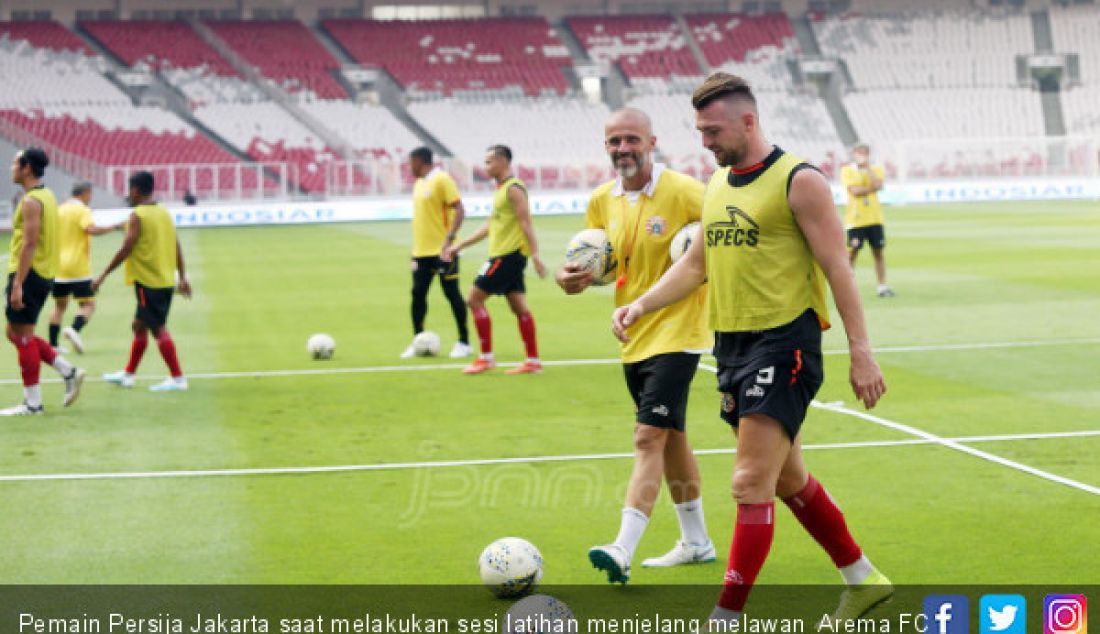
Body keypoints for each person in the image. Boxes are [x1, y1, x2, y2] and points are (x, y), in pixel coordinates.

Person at [610, 73, 892, 623]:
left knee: (748, 483)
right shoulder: (716, 184)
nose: (706, 141)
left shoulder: (799, 180)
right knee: (789, 481)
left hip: (785, 344)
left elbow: (838, 267)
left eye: (713, 130)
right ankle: (863, 580)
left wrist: (862, 351)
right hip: (732, 348)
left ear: (748, 120)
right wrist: (642, 305)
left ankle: (726, 616)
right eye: (699, 131)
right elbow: (695, 266)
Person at [557, 108, 715, 585]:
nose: (622, 149)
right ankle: (697, 542)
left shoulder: (687, 190)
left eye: (631, 140)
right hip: (633, 333)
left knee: (647, 438)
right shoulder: (601, 201)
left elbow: (726, 236)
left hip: (681, 333)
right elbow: (605, 267)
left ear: (652, 141)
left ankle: (622, 548)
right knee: (671, 441)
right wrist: (575, 281)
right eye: (613, 142)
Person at [445, 145, 546, 375]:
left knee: (473, 299)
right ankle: (533, 361)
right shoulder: (501, 190)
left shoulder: (514, 189)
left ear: (503, 162)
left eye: (489, 161)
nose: (486, 166)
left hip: (507, 257)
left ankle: (486, 358)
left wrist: (536, 255)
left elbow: (526, 223)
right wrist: (460, 245)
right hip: (507, 256)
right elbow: (490, 226)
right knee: (519, 308)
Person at [2, 148, 85, 416]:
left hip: (29, 274)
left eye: (16, 163)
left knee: (22, 337)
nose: (12, 167)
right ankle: (67, 371)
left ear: (27, 168)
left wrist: (17, 285)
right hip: (43, 273)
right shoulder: (46, 195)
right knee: (14, 333)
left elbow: (29, 244)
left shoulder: (31, 202)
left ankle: (33, 403)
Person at [93, 171, 191, 392]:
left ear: (136, 190)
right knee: (139, 325)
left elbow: (126, 248)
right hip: (164, 280)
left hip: (149, 282)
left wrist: (102, 276)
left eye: (130, 189)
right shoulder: (163, 212)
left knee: (157, 329)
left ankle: (178, 378)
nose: (129, 194)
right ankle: (128, 375)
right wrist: (182, 277)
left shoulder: (138, 215)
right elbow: (177, 246)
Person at [401, 146, 471, 359]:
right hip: (422, 253)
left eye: (411, 162)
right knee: (417, 295)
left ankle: (464, 342)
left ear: (421, 161)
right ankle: (418, 340)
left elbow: (459, 209)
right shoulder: (419, 183)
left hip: (443, 251)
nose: (409, 166)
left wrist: (449, 240)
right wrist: (414, 252)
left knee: (451, 293)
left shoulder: (442, 180)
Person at [47, 181, 124, 354]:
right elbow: (90, 229)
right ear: (86, 193)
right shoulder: (82, 210)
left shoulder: (59, 210)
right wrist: (114, 227)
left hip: (58, 267)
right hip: (77, 267)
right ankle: (74, 329)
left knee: (59, 306)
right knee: (88, 304)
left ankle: (53, 345)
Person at [841, 143, 893, 297]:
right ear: (854, 153)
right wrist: (873, 188)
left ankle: (882, 286)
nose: (861, 155)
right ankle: (846, 287)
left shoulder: (875, 169)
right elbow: (855, 191)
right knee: (852, 253)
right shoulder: (847, 170)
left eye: (864, 152)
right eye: (859, 152)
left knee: (878, 252)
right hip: (856, 219)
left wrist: (868, 169)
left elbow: (879, 184)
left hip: (875, 218)